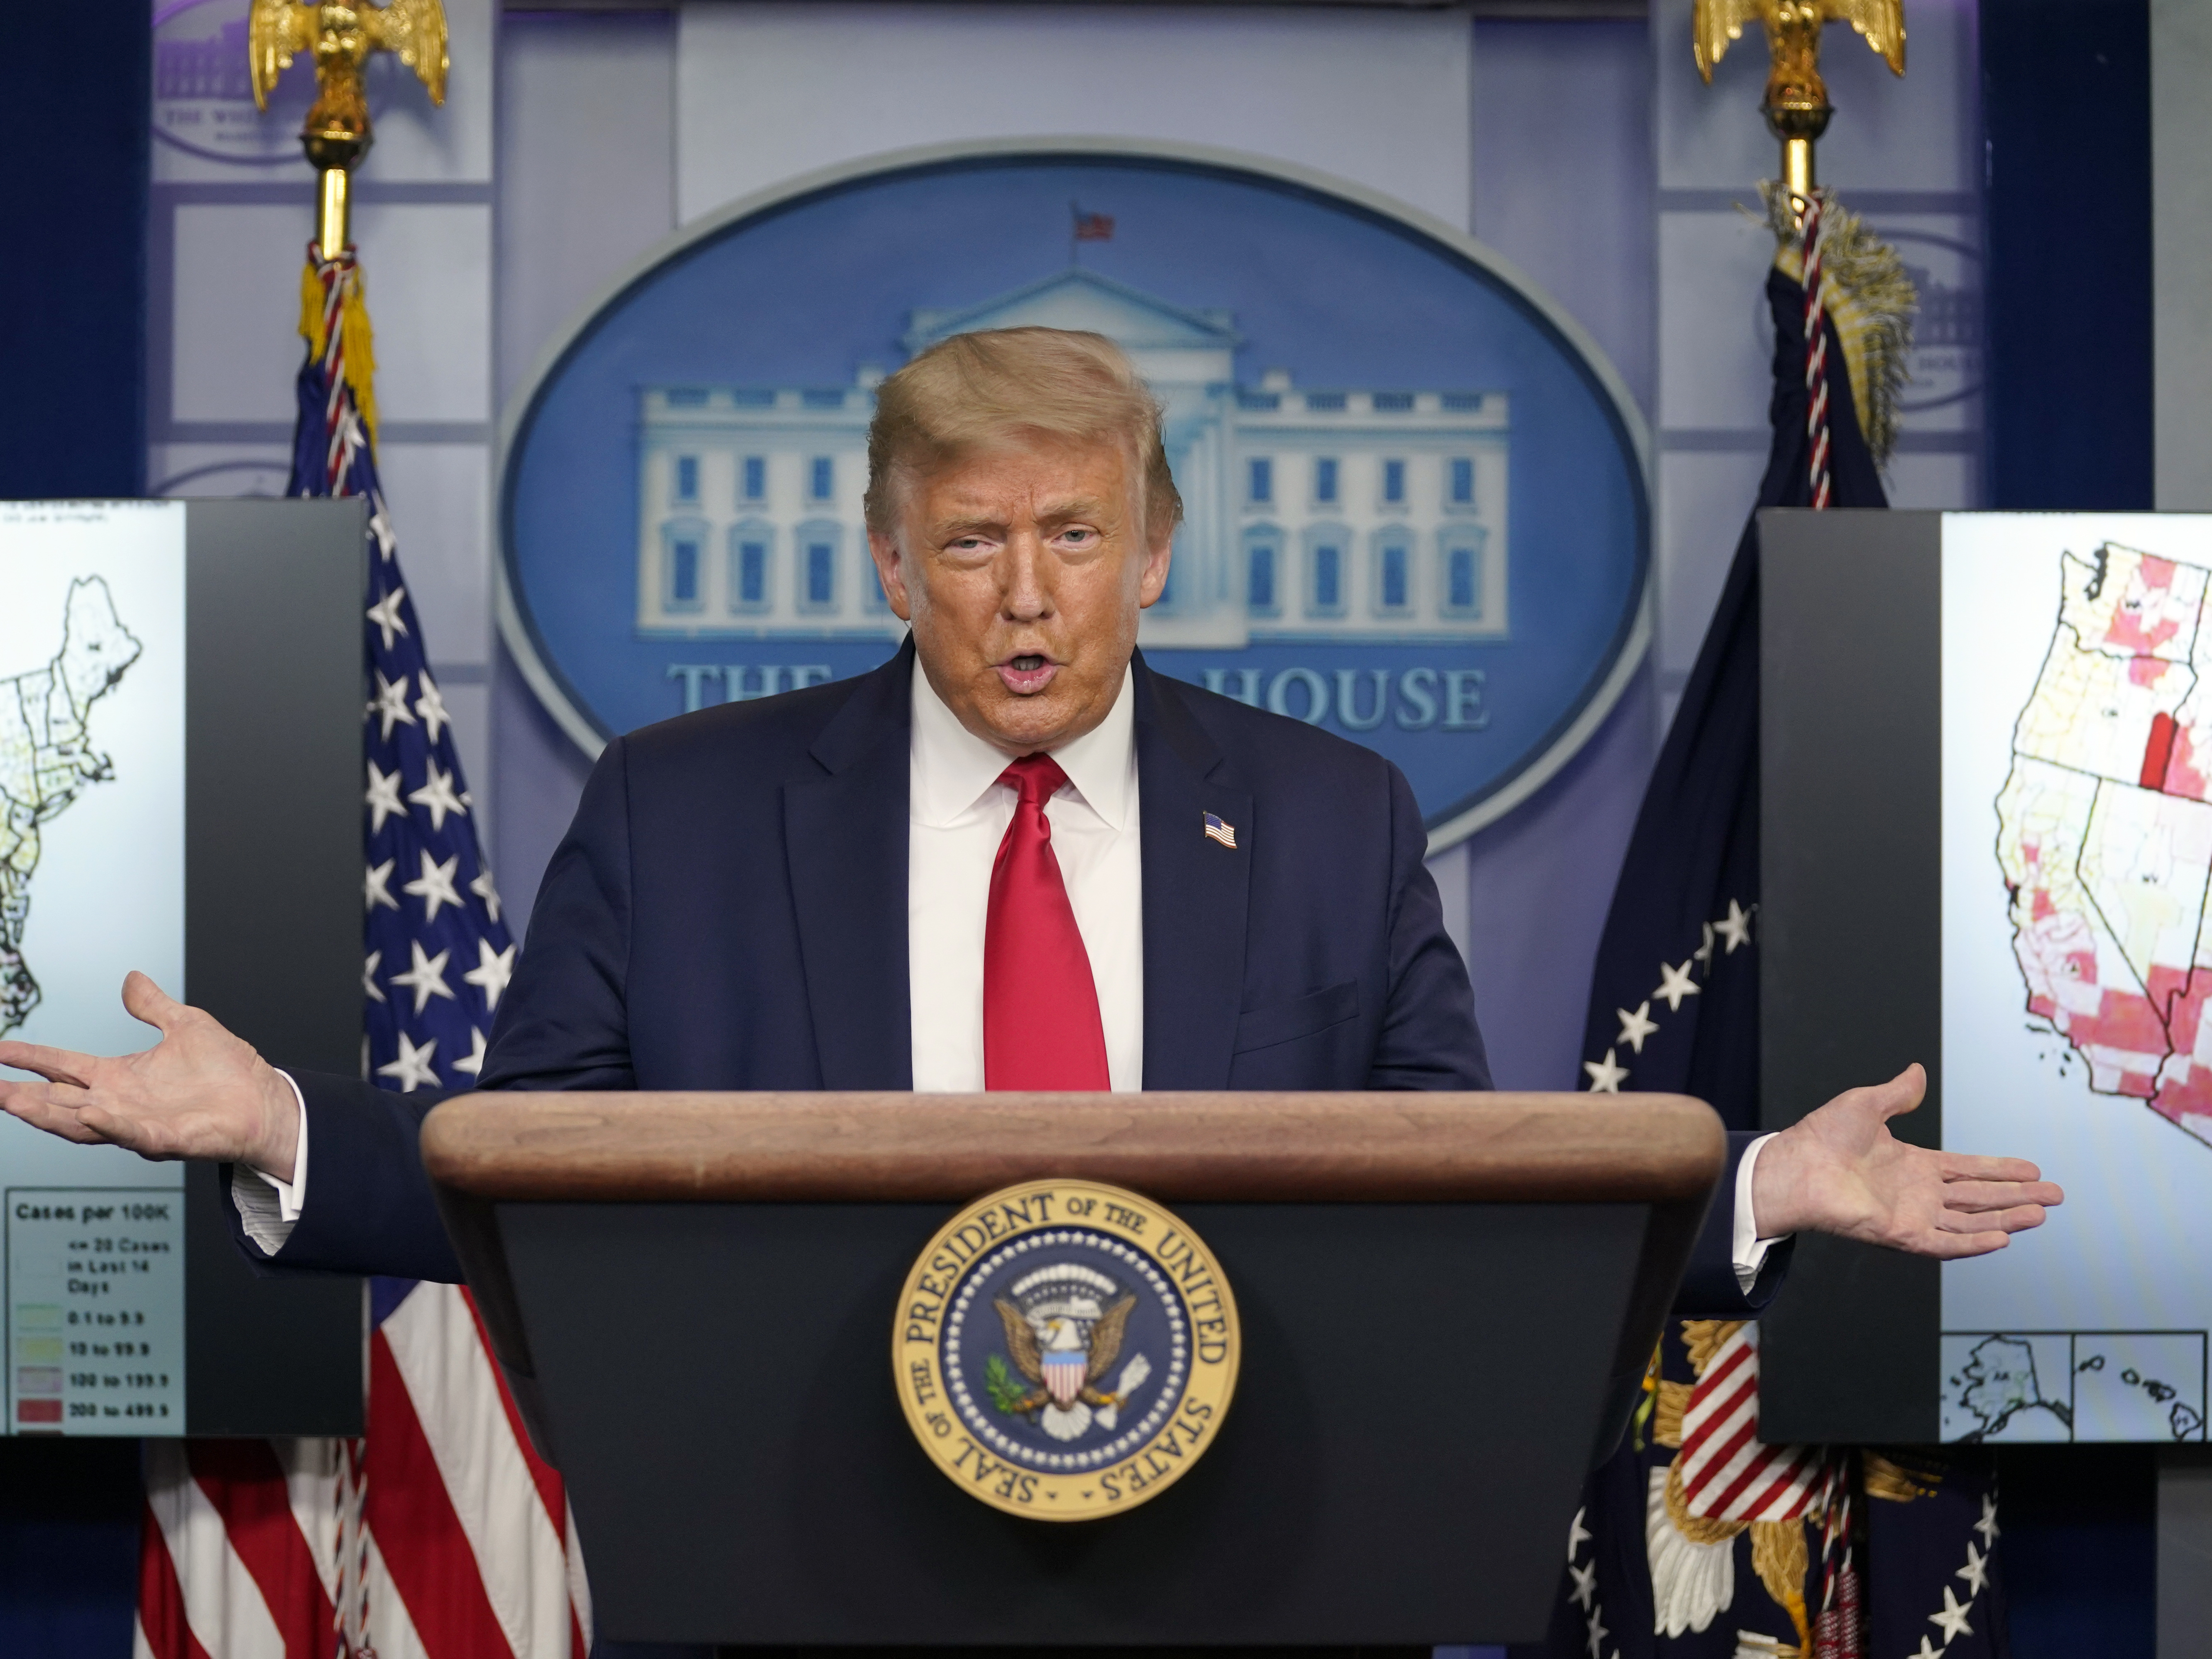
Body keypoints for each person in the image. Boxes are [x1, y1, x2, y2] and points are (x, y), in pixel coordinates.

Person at [0, 328, 2059, 1308]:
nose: (1025, 592)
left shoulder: (1336, 818)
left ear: (1155, 549)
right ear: (889, 563)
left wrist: (1771, 1183)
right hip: (801, 1569)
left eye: (1075, 533)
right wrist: (278, 1121)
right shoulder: (683, 813)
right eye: (971, 540)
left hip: (1258, 1575)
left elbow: (1466, 1198)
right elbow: (528, 1165)